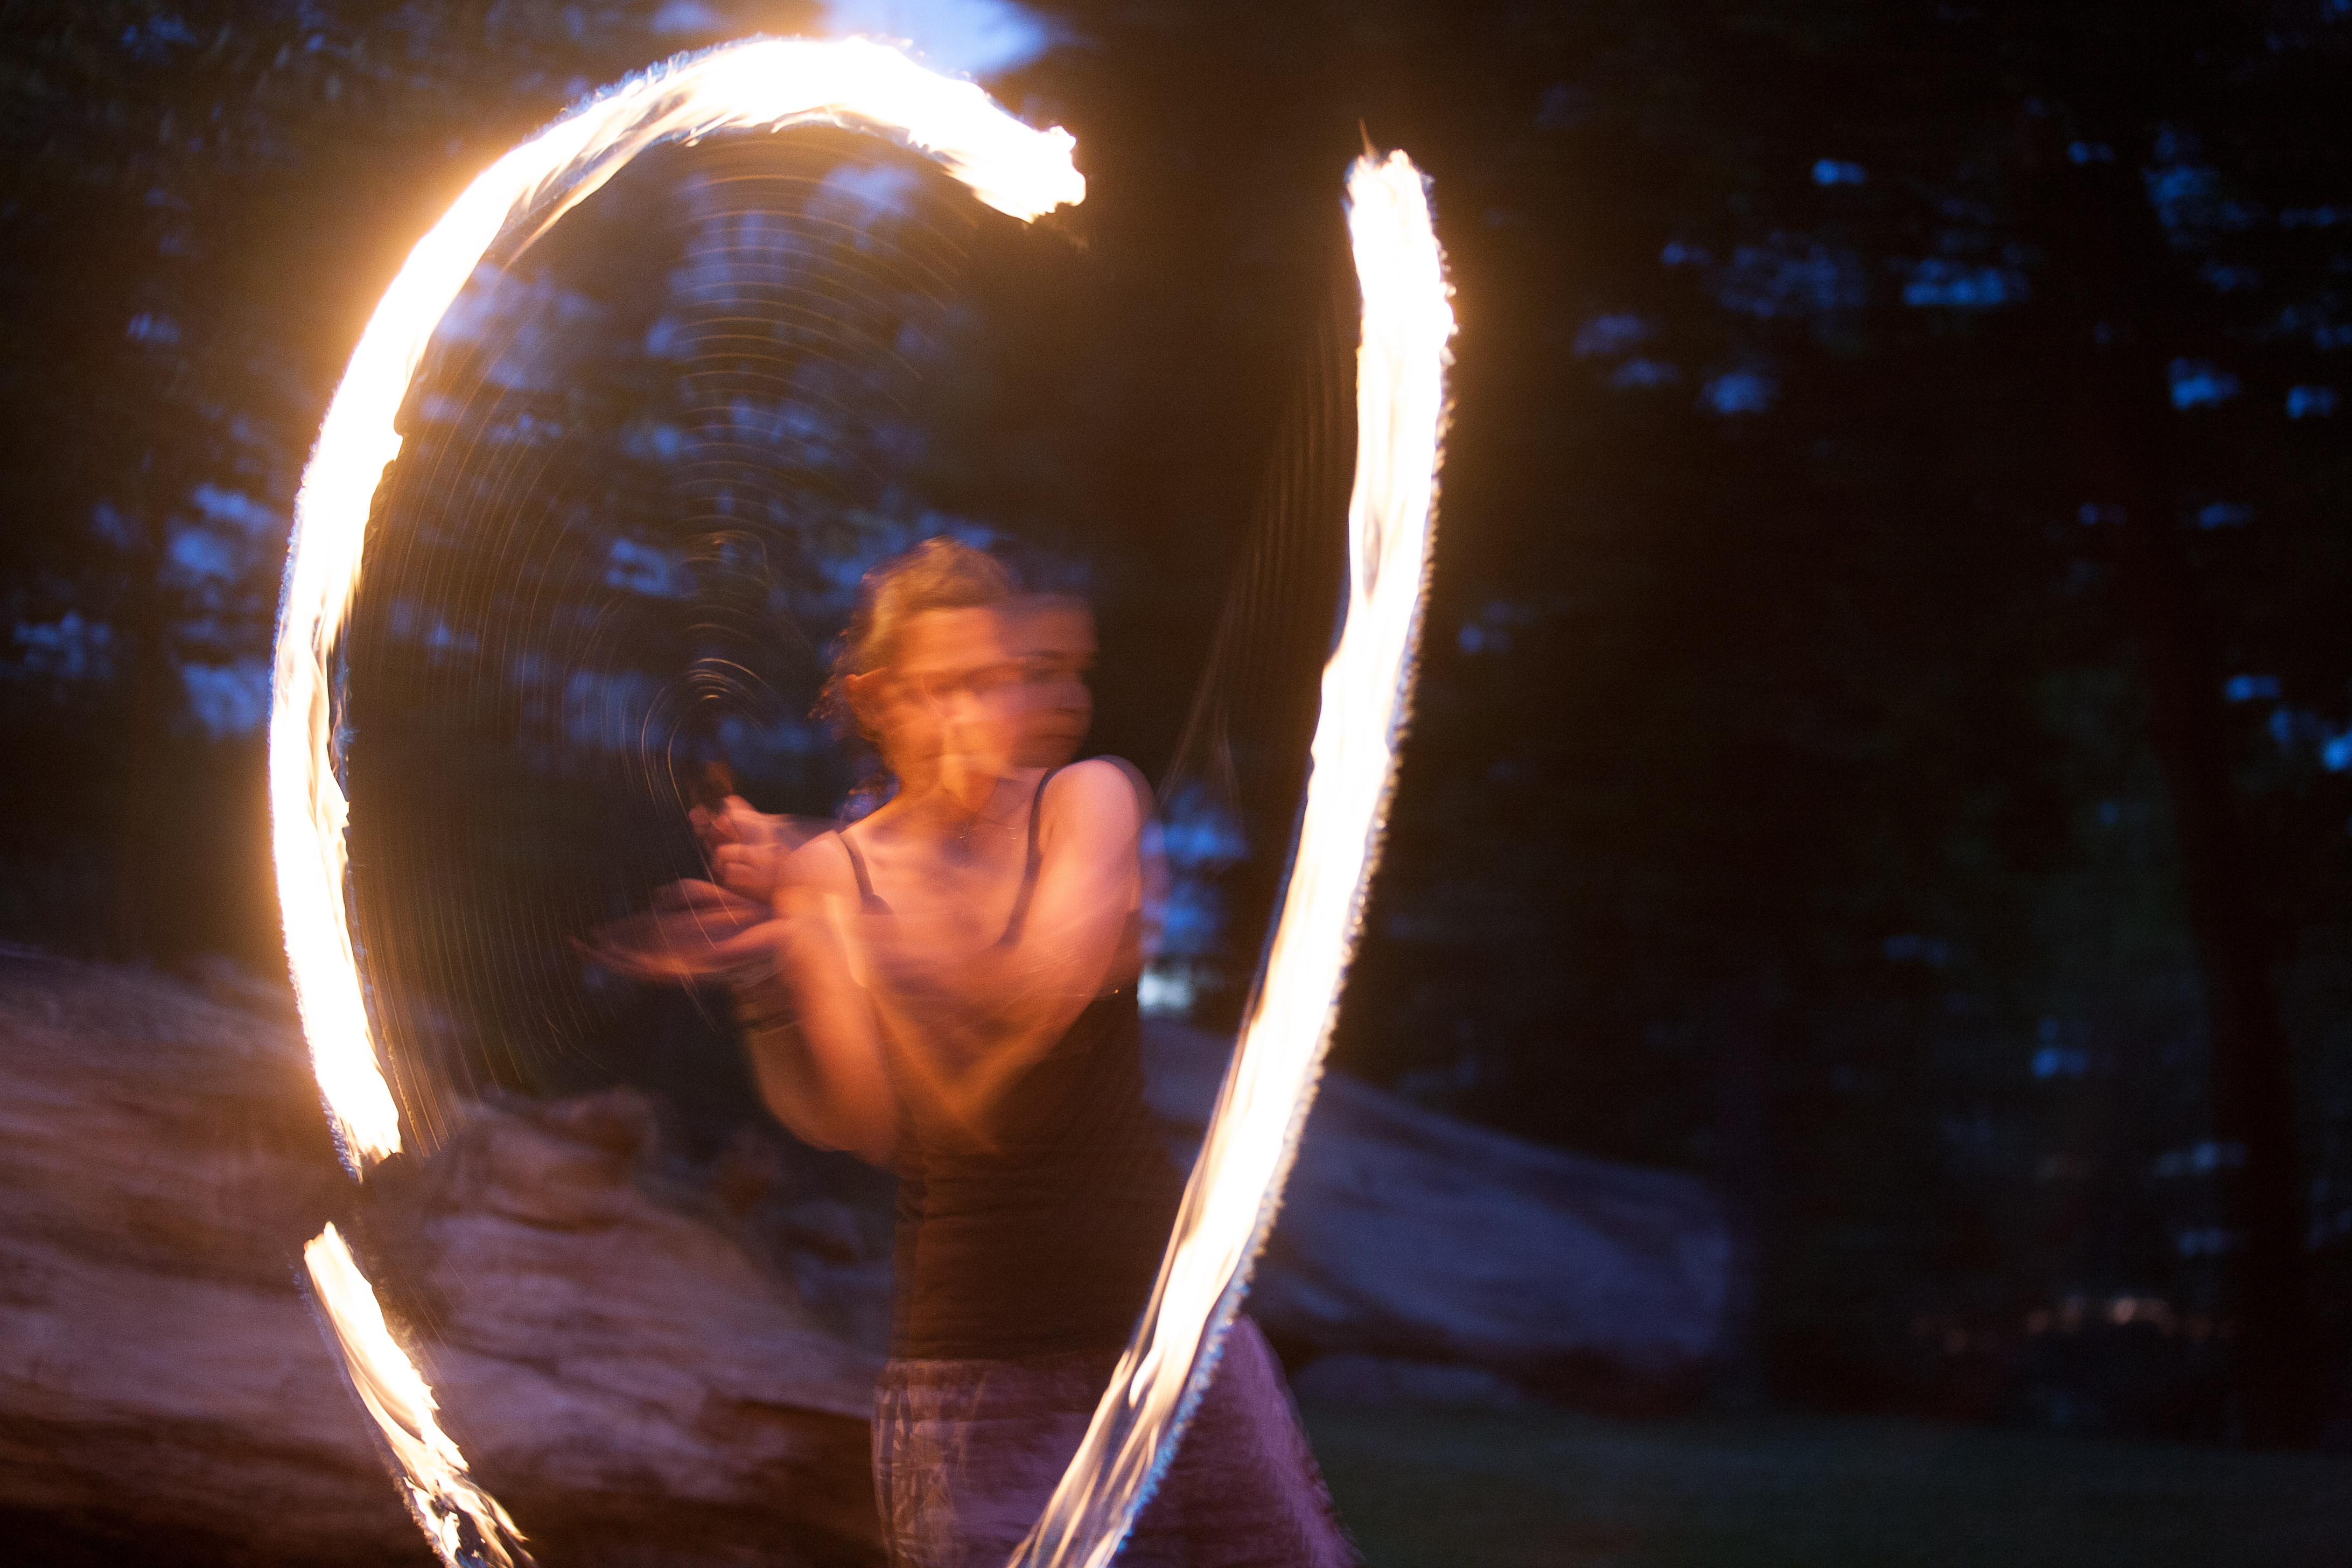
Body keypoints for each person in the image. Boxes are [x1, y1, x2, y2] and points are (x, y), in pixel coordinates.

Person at [601, 540, 1351, 1567]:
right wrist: (769, 980)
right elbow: (861, 1121)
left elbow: (1040, 986)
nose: (973, 715)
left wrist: (836, 914)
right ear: (875, 698)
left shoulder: (1085, 801)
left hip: (1161, 1342)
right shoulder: (834, 874)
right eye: (941, 687)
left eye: (995, 681)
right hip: (969, 1364)